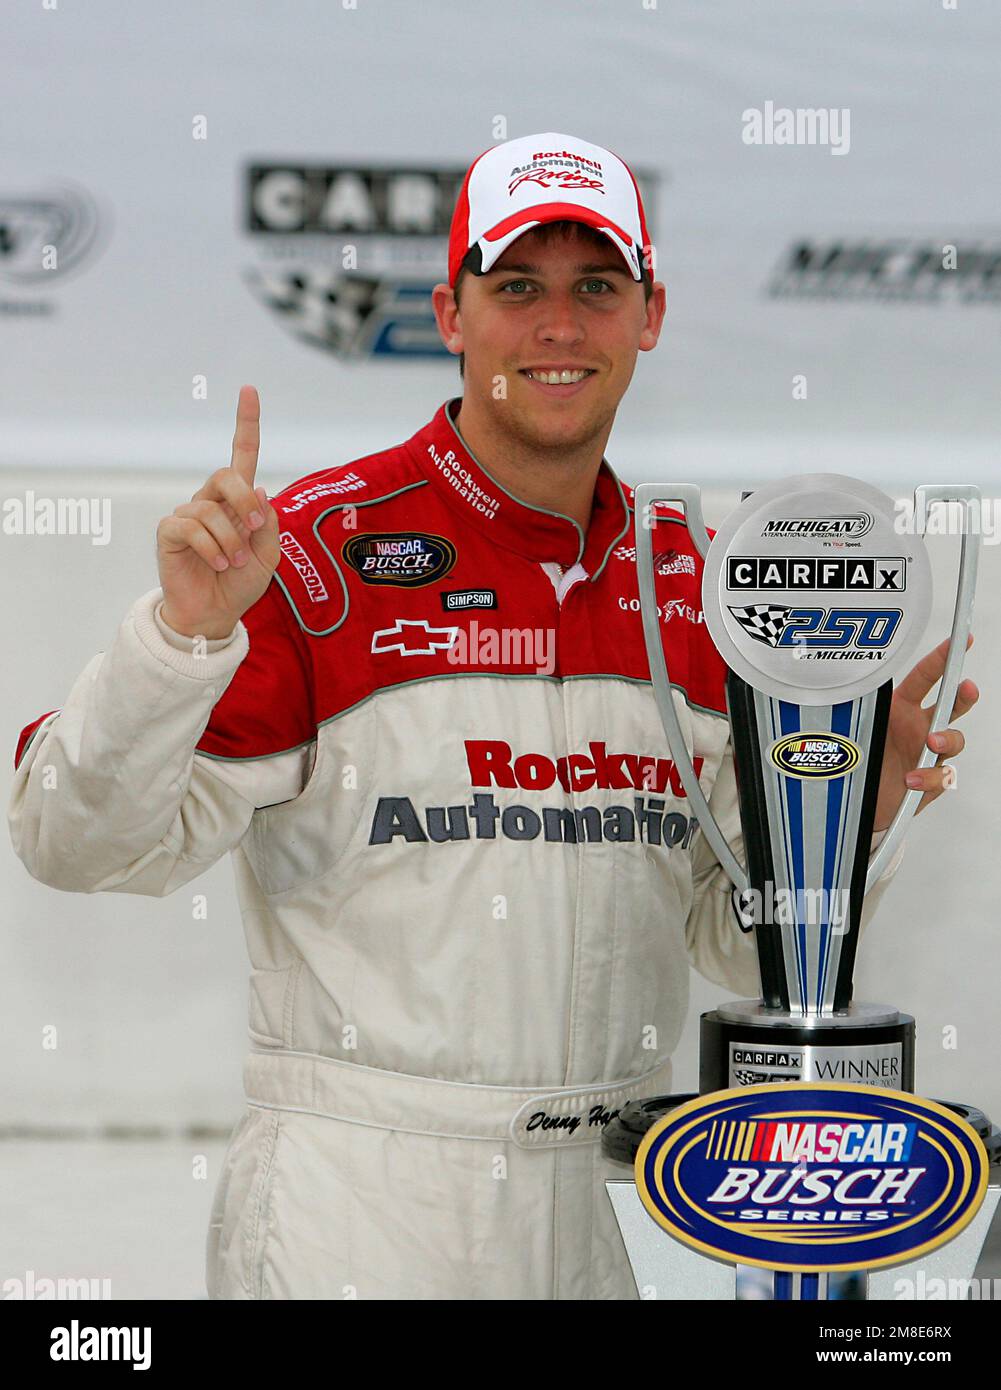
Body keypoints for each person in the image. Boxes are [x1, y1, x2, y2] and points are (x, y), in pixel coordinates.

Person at [8, 132, 977, 1300]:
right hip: (364, 1207)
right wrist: (179, 638)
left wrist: (845, 810)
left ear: (648, 315)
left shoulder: (701, 587)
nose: (557, 326)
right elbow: (76, 841)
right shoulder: (313, 557)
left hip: (628, 1199)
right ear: (450, 313)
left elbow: (731, 942)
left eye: (594, 288)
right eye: (516, 286)